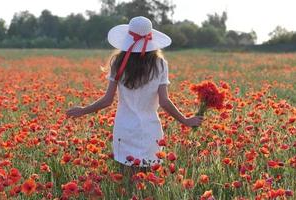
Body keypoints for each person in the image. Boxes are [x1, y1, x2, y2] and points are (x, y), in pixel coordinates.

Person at [66, 16, 203, 173]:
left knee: (125, 180)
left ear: (128, 38)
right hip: (150, 128)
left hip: (125, 128)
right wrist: (185, 120)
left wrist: (83, 110)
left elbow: (107, 100)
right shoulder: (159, 64)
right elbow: (164, 102)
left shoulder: (118, 62)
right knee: (148, 181)